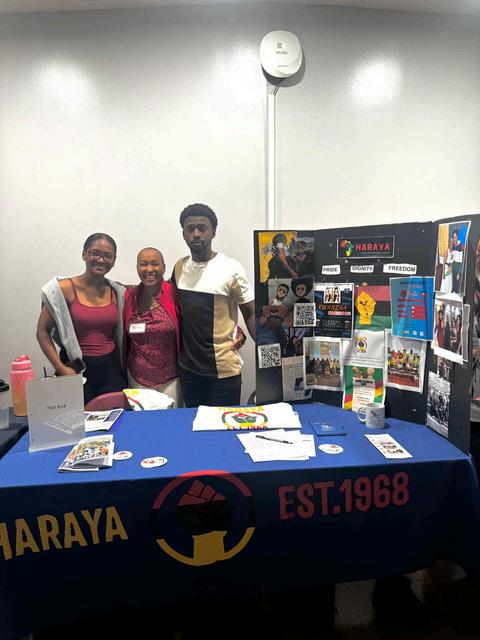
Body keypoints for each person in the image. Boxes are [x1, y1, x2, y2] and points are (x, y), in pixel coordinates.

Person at [172, 203, 255, 408]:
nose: (196, 234)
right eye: (190, 229)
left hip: (223, 372)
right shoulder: (179, 267)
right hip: (188, 370)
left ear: (213, 232)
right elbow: (163, 298)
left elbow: (251, 313)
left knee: (223, 426)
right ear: (183, 234)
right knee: (193, 424)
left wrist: (268, 353)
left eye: (202, 228)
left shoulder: (231, 268)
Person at [36, 233, 126, 404]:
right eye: (95, 253)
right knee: (76, 419)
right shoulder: (62, 290)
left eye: (108, 256)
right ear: (84, 254)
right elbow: (42, 332)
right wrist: (61, 368)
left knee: (116, 417)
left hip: (111, 370)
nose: (101, 260)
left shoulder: (117, 292)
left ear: (114, 260)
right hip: (74, 368)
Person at [123, 247, 182, 406]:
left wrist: (235, 331)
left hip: (171, 379)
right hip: (137, 378)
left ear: (164, 267)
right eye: (143, 264)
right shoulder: (129, 297)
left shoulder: (175, 294)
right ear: (137, 268)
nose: (149, 269)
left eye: (155, 264)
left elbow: (200, 317)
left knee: (171, 419)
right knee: (143, 421)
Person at [451, 228, 464, 294]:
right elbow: (452, 258)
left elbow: (461, 261)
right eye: (453, 237)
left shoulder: (460, 247)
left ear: (457, 237)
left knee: (457, 288)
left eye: (455, 237)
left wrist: (459, 273)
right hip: (453, 269)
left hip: (458, 269)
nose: (454, 239)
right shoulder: (453, 246)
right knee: (453, 287)